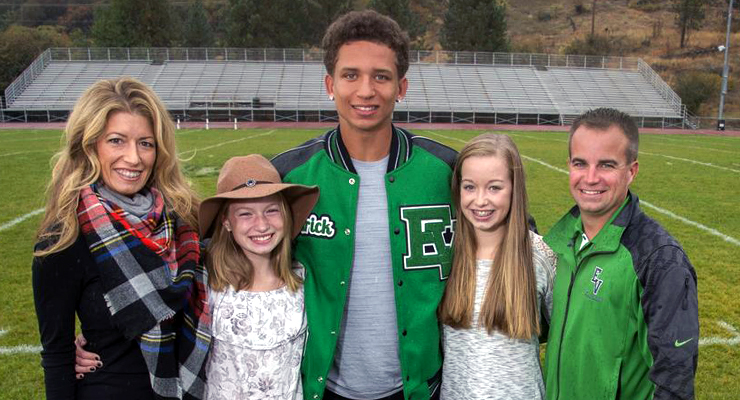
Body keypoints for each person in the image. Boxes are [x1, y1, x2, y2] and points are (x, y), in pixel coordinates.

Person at [271, 10, 456, 400]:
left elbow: (515, 240)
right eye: (351, 75)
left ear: (401, 87)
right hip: (323, 389)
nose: (366, 90)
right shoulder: (289, 176)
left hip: (422, 389)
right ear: (329, 84)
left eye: (381, 76)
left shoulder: (449, 171)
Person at [32, 77, 211, 400]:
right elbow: (57, 354)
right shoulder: (63, 238)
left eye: (146, 143)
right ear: (89, 146)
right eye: (116, 141)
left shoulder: (186, 221)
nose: (134, 158)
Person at [543, 108, 699, 400]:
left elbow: (674, 381)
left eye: (606, 165)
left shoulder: (658, 259)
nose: (590, 178)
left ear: (631, 171)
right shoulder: (562, 240)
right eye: (580, 163)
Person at [438, 134, 556, 400]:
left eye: (494, 187)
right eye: (469, 187)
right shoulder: (447, 253)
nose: (480, 201)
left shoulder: (540, 255)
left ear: (515, 188)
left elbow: (567, 338)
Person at [197, 154, 318, 400]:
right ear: (227, 222)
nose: (261, 225)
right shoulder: (207, 283)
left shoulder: (305, 281)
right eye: (245, 214)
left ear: (286, 214)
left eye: (271, 210)